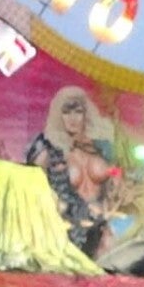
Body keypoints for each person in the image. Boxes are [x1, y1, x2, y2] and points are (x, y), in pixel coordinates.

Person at [25, 87, 123, 256]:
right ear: (58, 115)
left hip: (102, 229)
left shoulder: (101, 147)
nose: (73, 118)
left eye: (78, 111)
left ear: (86, 114)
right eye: (66, 112)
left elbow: (116, 172)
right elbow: (29, 188)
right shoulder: (48, 149)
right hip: (65, 233)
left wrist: (115, 176)